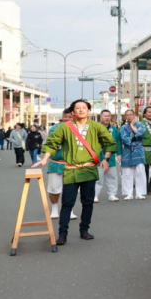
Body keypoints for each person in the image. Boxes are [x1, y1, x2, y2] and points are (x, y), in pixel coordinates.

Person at [34, 100, 117, 245]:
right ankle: (62, 234)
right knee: (67, 203)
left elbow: (109, 142)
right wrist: (45, 158)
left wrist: (106, 158)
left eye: (84, 108)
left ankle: (84, 230)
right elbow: (52, 142)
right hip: (71, 170)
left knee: (88, 202)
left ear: (89, 110)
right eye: (77, 108)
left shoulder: (96, 126)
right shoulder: (64, 127)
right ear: (73, 112)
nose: (81, 110)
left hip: (89, 169)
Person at [45, 108, 74, 219]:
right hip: (56, 162)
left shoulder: (80, 129)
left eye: (70, 117)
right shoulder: (55, 128)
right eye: (65, 116)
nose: (67, 119)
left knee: (71, 189)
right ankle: (54, 208)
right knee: (54, 188)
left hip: (72, 165)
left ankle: (69, 210)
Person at [118, 109, 148, 200]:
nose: (129, 116)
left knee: (140, 171)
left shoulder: (141, 125)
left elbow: (141, 134)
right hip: (127, 151)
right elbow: (124, 138)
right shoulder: (123, 127)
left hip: (138, 150)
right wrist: (135, 137)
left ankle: (140, 193)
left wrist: (132, 126)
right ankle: (128, 193)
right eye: (127, 115)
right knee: (127, 173)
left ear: (134, 115)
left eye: (130, 114)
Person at [93, 110, 122, 203]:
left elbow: (118, 142)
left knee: (112, 176)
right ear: (101, 117)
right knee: (98, 177)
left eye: (108, 116)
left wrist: (119, 154)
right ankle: (95, 195)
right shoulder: (95, 128)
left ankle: (112, 194)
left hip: (111, 157)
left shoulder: (114, 130)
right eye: (105, 116)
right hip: (98, 157)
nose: (107, 118)